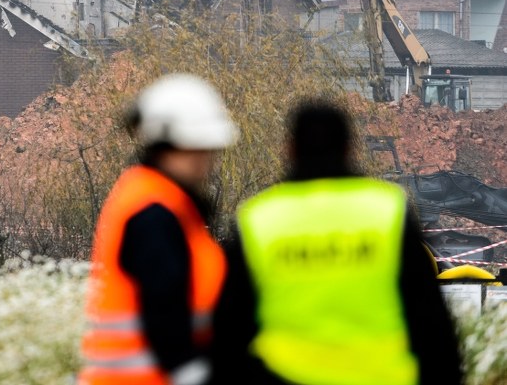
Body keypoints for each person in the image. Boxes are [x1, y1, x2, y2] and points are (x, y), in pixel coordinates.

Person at [212, 101, 463, 385]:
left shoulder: (258, 218)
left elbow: (229, 331)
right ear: (349, 149)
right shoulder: (387, 211)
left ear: (290, 150)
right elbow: (429, 320)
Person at [79, 74, 238, 385]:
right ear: (164, 146)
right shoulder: (154, 212)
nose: (205, 161)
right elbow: (163, 307)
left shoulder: (162, 202)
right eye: (195, 149)